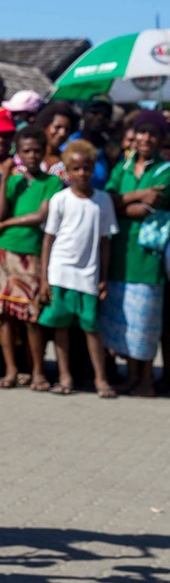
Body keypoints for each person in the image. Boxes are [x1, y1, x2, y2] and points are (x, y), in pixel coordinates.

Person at [0, 125, 62, 390]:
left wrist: (3, 225)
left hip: (31, 254)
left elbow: (41, 216)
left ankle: (38, 372)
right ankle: (11, 371)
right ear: (19, 153)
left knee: (31, 318)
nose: (32, 156)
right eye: (26, 151)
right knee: (5, 316)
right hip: (3, 252)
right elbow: (0, 211)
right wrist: (4, 179)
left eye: (37, 151)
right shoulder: (14, 181)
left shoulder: (52, 182)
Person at [39, 140, 119, 398]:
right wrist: (44, 279)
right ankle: (64, 376)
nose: (82, 173)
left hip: (88, 275)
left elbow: (104, 242)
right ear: (67, 171)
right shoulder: (59, 200)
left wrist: (104, 278)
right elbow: (48, 239)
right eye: (76, 168)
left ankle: (100, 379)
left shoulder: (103, 201)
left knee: (91, 328)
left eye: (86, 168)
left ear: (93, 168)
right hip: (60, 272)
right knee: (60, 327)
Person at [100, 110, 170, 397]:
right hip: (119, 257)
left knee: (145, 324)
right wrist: (139, 195)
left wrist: (122, 204)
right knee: (124, 323)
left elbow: (148, 209)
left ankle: (145, 381)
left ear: (162, 139)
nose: (146, 138)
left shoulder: (166, 170)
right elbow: (108, 200)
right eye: (142, 132)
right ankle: (131, 377)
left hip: (147, 260)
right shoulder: (122, 168)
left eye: (153, 133)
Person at [69, 95, 115, 187]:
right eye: (95, 111)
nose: (100, 117)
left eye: (105, 114)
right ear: (83, 113)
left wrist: (112, 161)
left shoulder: (112, 152)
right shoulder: (67, 144)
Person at [38, 101, 77, 179]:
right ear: (45, 126)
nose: (63, 133)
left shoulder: (68, 162)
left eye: (67, 129)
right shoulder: (26, 156)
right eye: (57, 127)